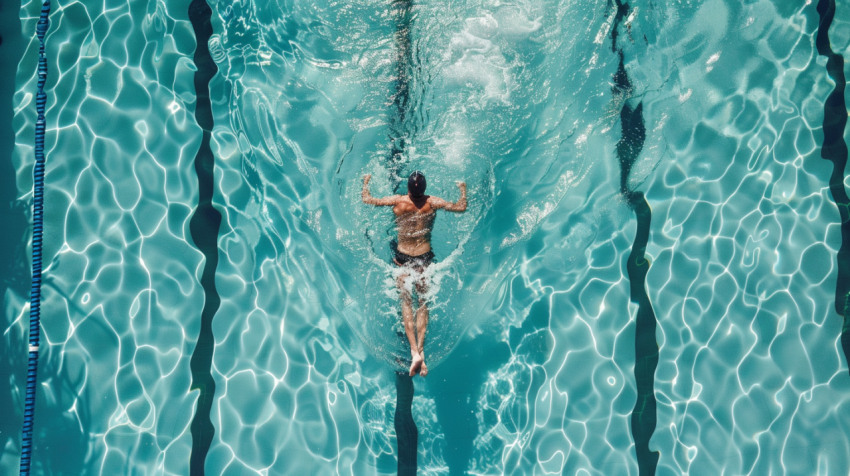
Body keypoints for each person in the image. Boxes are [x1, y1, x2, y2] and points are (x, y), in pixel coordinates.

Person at [362, 171, 467, 376]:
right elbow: (460, 207)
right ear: (424, 189)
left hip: (402, 259)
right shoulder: (432, 202)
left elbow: (367, 200)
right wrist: (462, 189)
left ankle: (413, 351)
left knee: (406, 302)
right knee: (423, 304)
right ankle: (422, 352)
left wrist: (366, 182)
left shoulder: (398, 201)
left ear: (408, 189)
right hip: (424, 259)